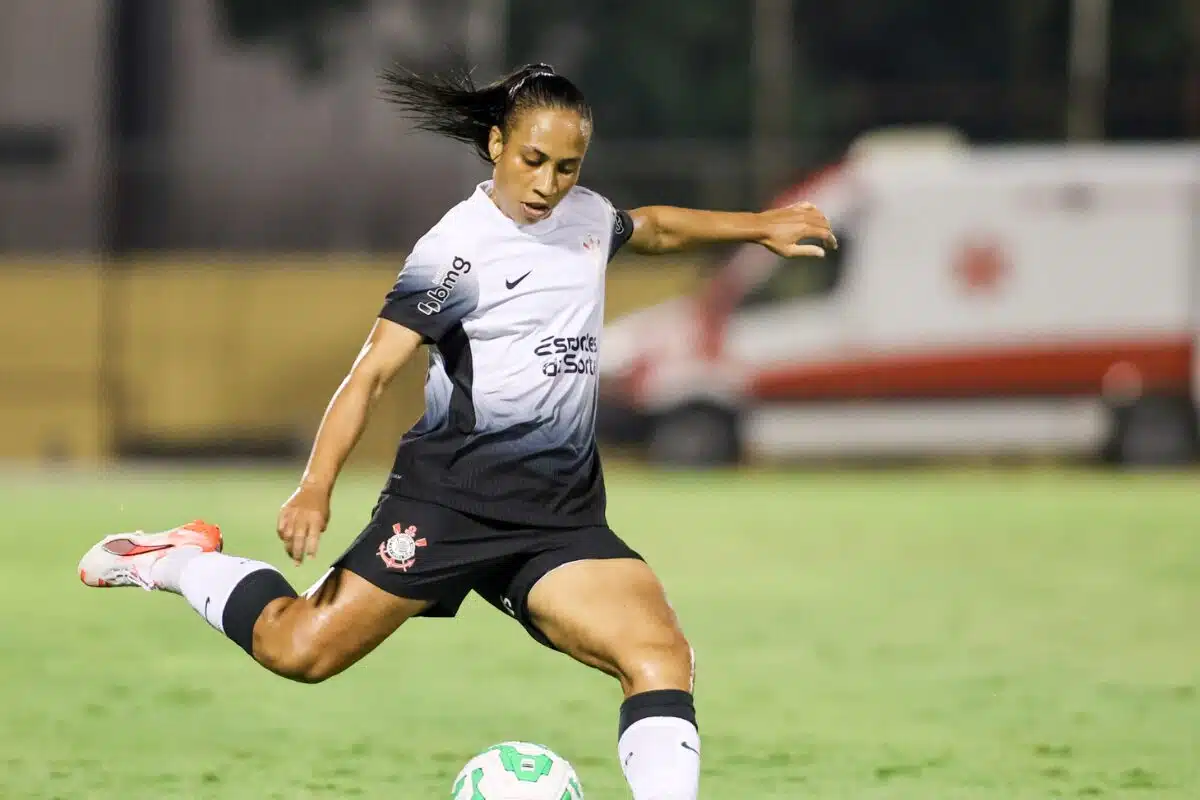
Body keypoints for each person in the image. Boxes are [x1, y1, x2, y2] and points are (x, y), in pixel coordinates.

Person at [77, 62, 836, 800]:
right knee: (298, 648)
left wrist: (758, 226)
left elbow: (653, 227)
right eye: (533, 160)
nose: (548, 183)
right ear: (497, 144)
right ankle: (178, 561)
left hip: (559, 519)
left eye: (567, 167)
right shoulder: (455, 251)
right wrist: (315, 486)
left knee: (661, 657)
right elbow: (371, 373)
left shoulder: (583, 218)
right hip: (448, 505)